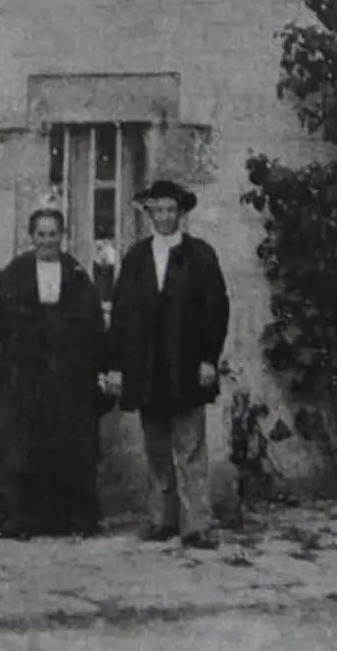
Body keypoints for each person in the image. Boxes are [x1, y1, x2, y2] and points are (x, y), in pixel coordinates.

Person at [107, 177, 229, 548]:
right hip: (148, 367)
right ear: (148, 214)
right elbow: (122, 315)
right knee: (157, 447)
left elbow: (216, 310)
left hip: (187, 365)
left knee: (190, 446)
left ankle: (196, 525)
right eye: (157, 210)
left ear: (181, 213)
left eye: (170, 210)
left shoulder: (200, 256)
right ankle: (162, 520)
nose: (164, 216)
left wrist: (209, 358)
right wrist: (117, 365)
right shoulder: (136, 258)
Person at [0, 200, 110, 539]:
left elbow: (93, 327)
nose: (47, 241)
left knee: (68, 447)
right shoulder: (16, 274)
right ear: (31, 237)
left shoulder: (77, 275)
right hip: (25, 380)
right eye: (41, 234)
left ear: (62, 236)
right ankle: (18, 520)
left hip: (66, 380)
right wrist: (0, 375)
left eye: (53, 234)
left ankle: (68, 521)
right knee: (21, 450)